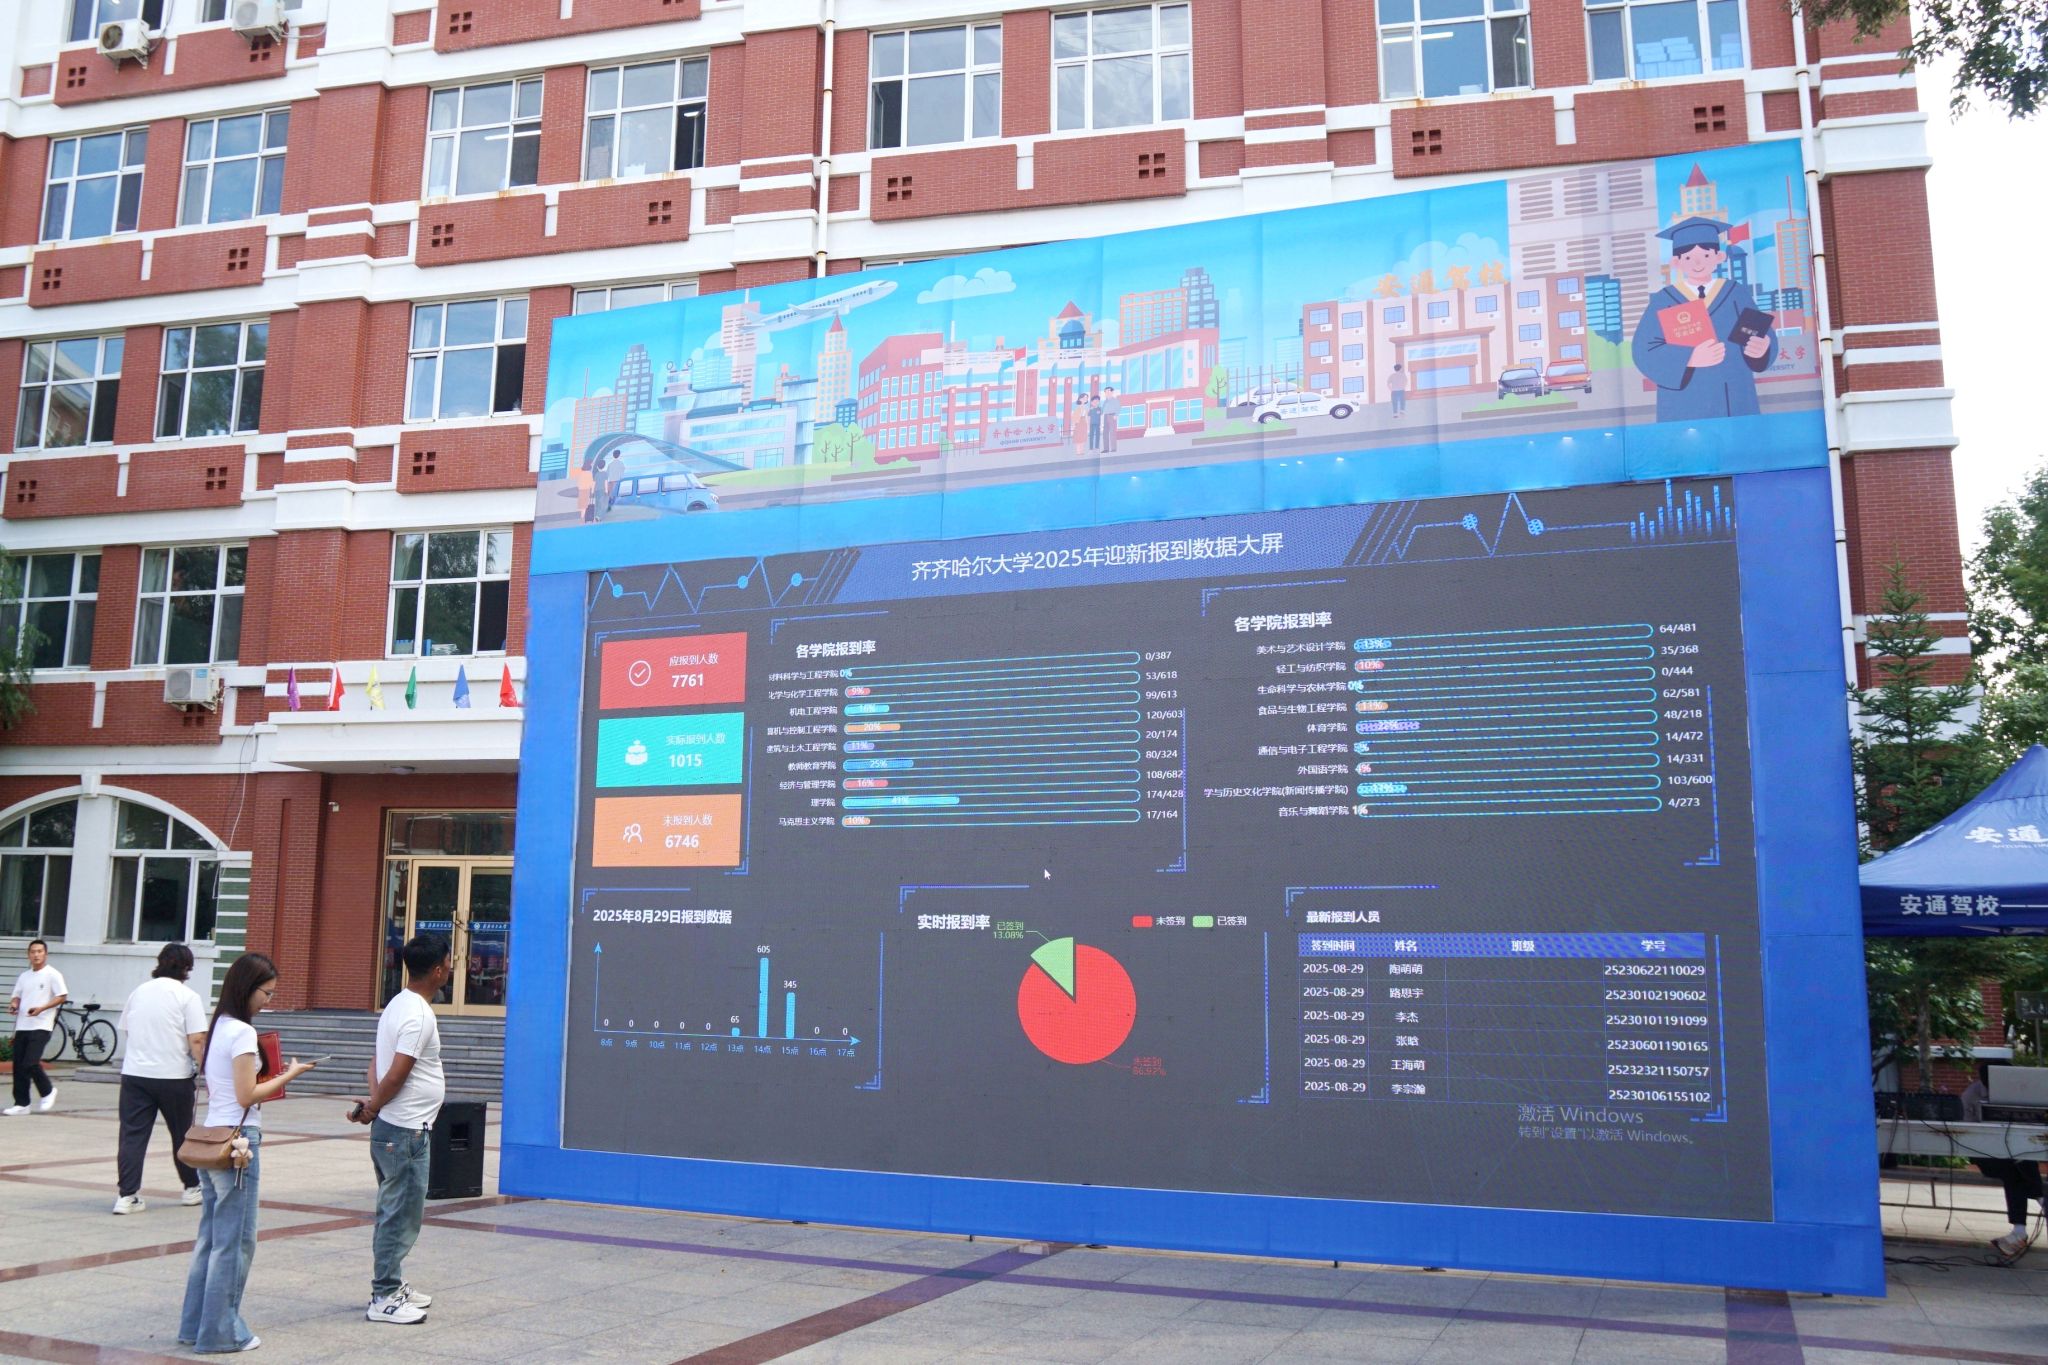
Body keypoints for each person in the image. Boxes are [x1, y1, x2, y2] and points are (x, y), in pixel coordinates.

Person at [179, 953, 316, 1354]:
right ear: (247, 988)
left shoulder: (219, 1025)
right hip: (238, 1144)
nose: (268, 1001)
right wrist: (288, 1076)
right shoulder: (240, 1032)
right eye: (266, 993)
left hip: (212, 1139)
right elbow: (246, 1095)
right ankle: (222, 1332)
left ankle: (195, 1326)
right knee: (235, 1241)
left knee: (211, 1239)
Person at [350, 934, 452, 1326]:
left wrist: (373, 1106)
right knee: (400, 1215)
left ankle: (391, 1283)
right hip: (404, 1131)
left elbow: (375, 1064)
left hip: (399, 1127)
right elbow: (397, 1072)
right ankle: (385, 1296)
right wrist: (375, 1107)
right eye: (449, 962)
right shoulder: (418, 1015)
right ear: (438, 970)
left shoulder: (398, 1004)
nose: (451, 968)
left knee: (397, 1210)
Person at [1629, 215, 1778, 421]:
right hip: (1684, 401)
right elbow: (1644, 349)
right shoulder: (1665, 299)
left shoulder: (1734, 292)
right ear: (1676, 262)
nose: (1698, 263)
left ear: (1719, 257)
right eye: (1688, 258)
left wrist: (1762, 348)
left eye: (1706, 255)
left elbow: (1760, 330)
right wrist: (1689, 358)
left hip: (1733, 396)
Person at [114, 943, 210, 1213]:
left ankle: (127, 1196)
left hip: (135, 1074)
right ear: (187, 967)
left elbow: (128, 1030)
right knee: (181, 1134)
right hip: (174, 1076)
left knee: (132, 1136)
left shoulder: (138, 992)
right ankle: (191, 1188)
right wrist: (206, 1070)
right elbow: (197, 1040)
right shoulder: (188, 997)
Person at [1961, 1063, 2042, 1261]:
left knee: (2019, 1165)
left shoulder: (2020, 1092)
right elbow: (1966, 1131)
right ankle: (2041, 1198)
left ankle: (2019, 1231)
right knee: (2017, 1167)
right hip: (1986, 1153)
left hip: (2015, 1153)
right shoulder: (1972, 1095)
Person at [7, 938, 67, 1116]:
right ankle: (21, 1104)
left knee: (31, 1062)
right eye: (33, 952)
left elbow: (62, 996)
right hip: (23, 1025)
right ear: (28, 955)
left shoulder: (52, 974)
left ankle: (48, 1091)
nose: (36, 955)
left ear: (45, 954)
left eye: (40, 951)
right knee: (19, 1066)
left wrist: (42, 1008)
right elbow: (16, 996)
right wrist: (14, 1005)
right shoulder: (24, 976)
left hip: (41, 1025)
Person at [1099, 387, 1121, 453]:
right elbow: (1103, 409)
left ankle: (1113, 448)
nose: (1107, 393)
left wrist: (1116, 415)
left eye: (1108, 391)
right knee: (1105, 433)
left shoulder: (1115, 400)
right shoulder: (1105, 401)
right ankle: (1106, 449)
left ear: (1112, 392)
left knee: (1112, 433)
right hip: (1106, 416)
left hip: (1112, 416)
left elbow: (1118, 408)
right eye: (1106, 392)